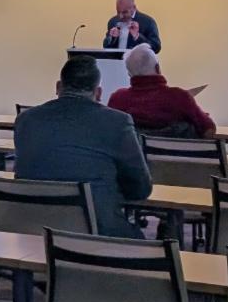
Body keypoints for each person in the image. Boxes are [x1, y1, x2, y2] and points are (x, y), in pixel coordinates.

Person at [14, 56, 152, 238]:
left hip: (29, 227)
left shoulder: (26, 120)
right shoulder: (117, 122)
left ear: (58, 86)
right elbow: (140, 188)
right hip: (95, 235)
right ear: (98, 92)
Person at [108, 45, 215, 139]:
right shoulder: (180, 98)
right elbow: (209, 130)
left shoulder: (118, 99)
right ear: (158, 68)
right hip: (175, 156)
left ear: (129, 74)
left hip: (134, 156)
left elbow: (109, 132)